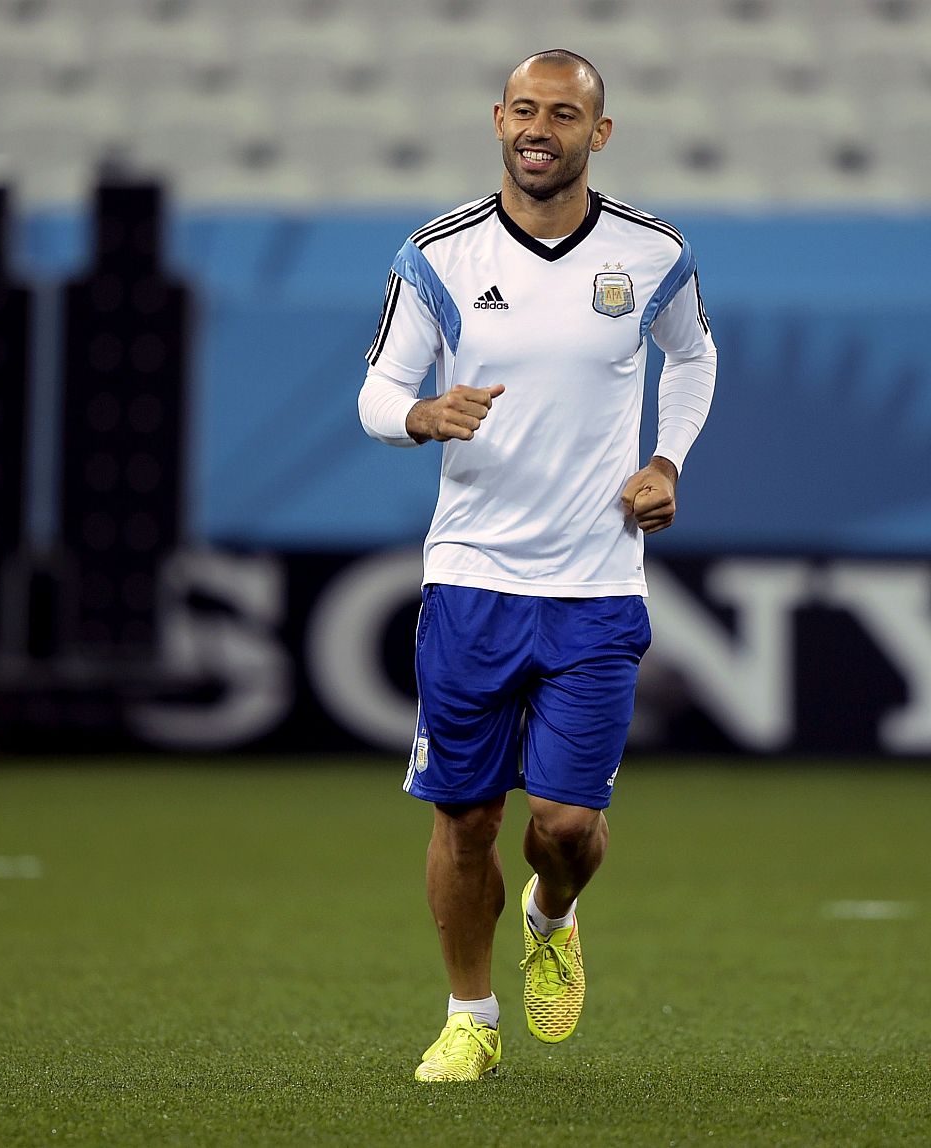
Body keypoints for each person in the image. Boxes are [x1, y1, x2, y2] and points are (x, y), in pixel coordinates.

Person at [358, 49, 717, 1082]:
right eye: (523, 108)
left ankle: (551, 911)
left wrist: (664, 457)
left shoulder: (652, 254)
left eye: (563, 113)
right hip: (472, 575)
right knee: (465, 813)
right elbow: (377, 389)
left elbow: (691, 357)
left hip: (598, 582)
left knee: (563, 826)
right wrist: (420, 415)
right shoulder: (439, 253)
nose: (539, 126)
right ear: (498, 118)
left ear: (597, 134)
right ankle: (468, 1015)